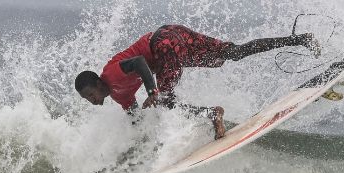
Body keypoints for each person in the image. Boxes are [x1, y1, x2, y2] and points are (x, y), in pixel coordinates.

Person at [74, 24, 319, 139]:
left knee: (165, 99)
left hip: (164, 44)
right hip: (174, 35)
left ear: (97, 83)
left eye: (90, 95)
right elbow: (136, 118)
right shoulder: (119, 96)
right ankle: (300, 39)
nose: (92, 101)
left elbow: (139, 61)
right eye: (88, 100)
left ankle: (213, 114)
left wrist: (152, 90)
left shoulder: (112, 74)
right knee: (232, 52)